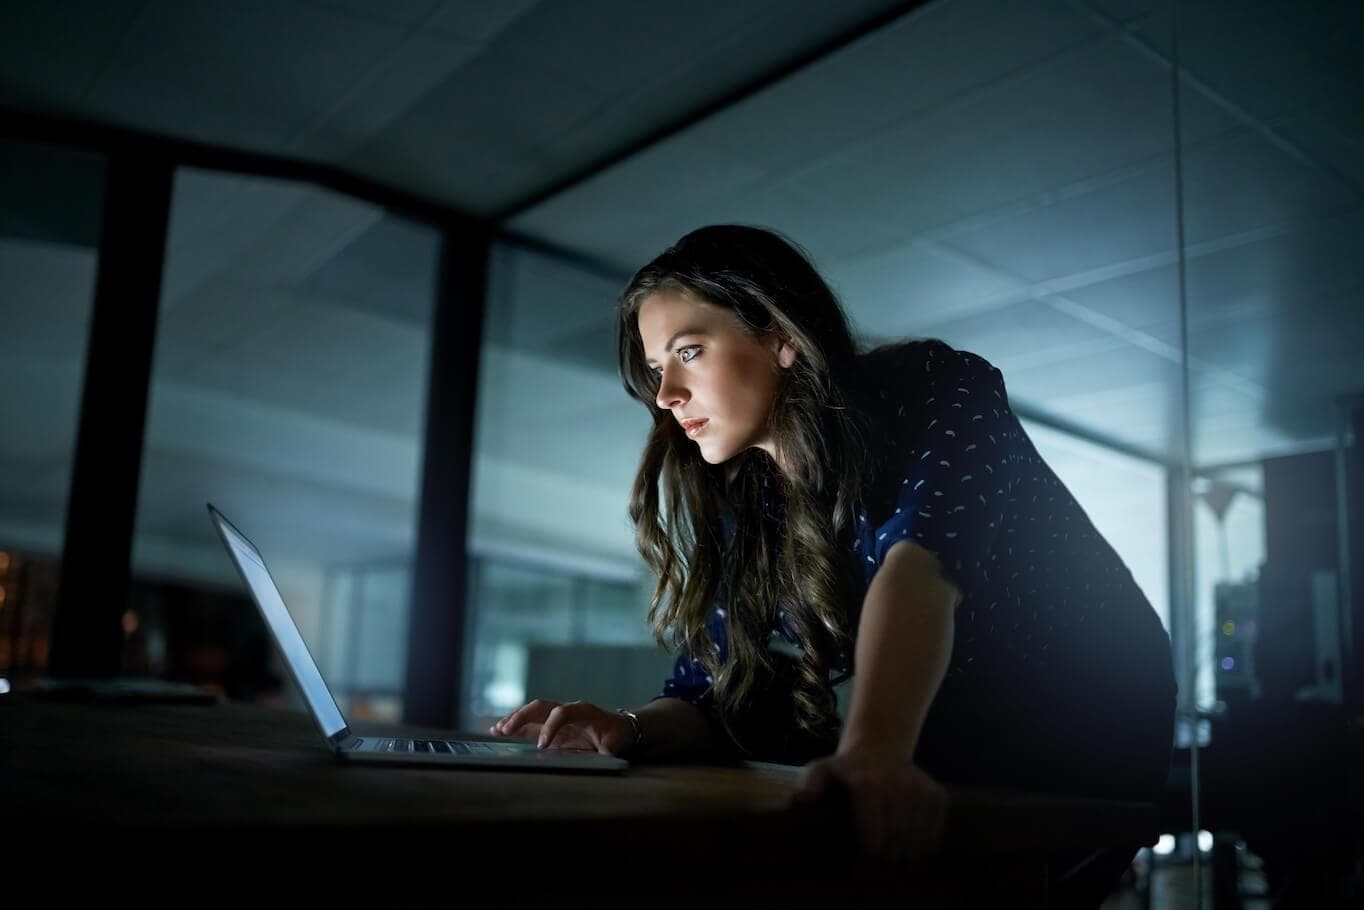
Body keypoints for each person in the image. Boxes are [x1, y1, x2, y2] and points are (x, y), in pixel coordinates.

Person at [491, 225, 1176, 892]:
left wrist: (874, 751)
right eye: (654, 370)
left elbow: (922, 568)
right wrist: (628, 729)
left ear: (782, 336)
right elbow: (714, 693)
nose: (666, 393)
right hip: (960, 737)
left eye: (689, 351)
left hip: (1095, 725)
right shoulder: (753, 504)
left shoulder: (935, 385)